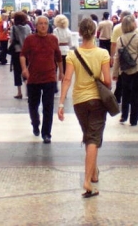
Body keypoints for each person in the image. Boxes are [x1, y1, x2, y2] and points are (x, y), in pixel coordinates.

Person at [58, 17, 111, 198]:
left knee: (89, 136)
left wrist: (61, 103)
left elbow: (66, 79)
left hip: (79, 101)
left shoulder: (73, 55)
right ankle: (87, 180)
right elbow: (108, 81)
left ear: (79, 33)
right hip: (97, 101)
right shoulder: (103, 54)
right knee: (93, 139)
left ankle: (94, 173)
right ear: (95, 33)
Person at [20, 15, 63, 143]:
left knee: (48, 107)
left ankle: (46, 133)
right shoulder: (30, 39)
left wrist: (61, 71)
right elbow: (22, 55)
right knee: (33, 105)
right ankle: (35, 122)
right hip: (34, 77)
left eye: (45, 23)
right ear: (36, 26)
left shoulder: (53, 39)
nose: (43, 26)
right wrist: (24, 69)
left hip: (49, 77)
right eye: (40, 24)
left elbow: (58, 56)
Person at [112, 14, 138, 126]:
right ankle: (133, 119)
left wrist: (115, 73)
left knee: (125, 94)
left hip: (125, 70)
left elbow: (117, 58)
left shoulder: (120, 39)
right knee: (136, 95)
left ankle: (124, 116)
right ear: (132, 25)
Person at [10, 11, 31, 99]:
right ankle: (29, 89)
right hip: (27, 52)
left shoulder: (14, 28)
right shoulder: (28, 27)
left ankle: (19, 92)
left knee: (17, 72)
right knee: (26, 69)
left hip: (17, 51)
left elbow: (11, 40)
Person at [53, 14, 74, 80]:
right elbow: (71, 44)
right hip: (67, 51)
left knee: (55, 68)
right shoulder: (68, 30)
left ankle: (55, 82)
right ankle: (64, 84)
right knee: (65, 70)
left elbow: (56, 41)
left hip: (58, 51)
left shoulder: (56, 30)